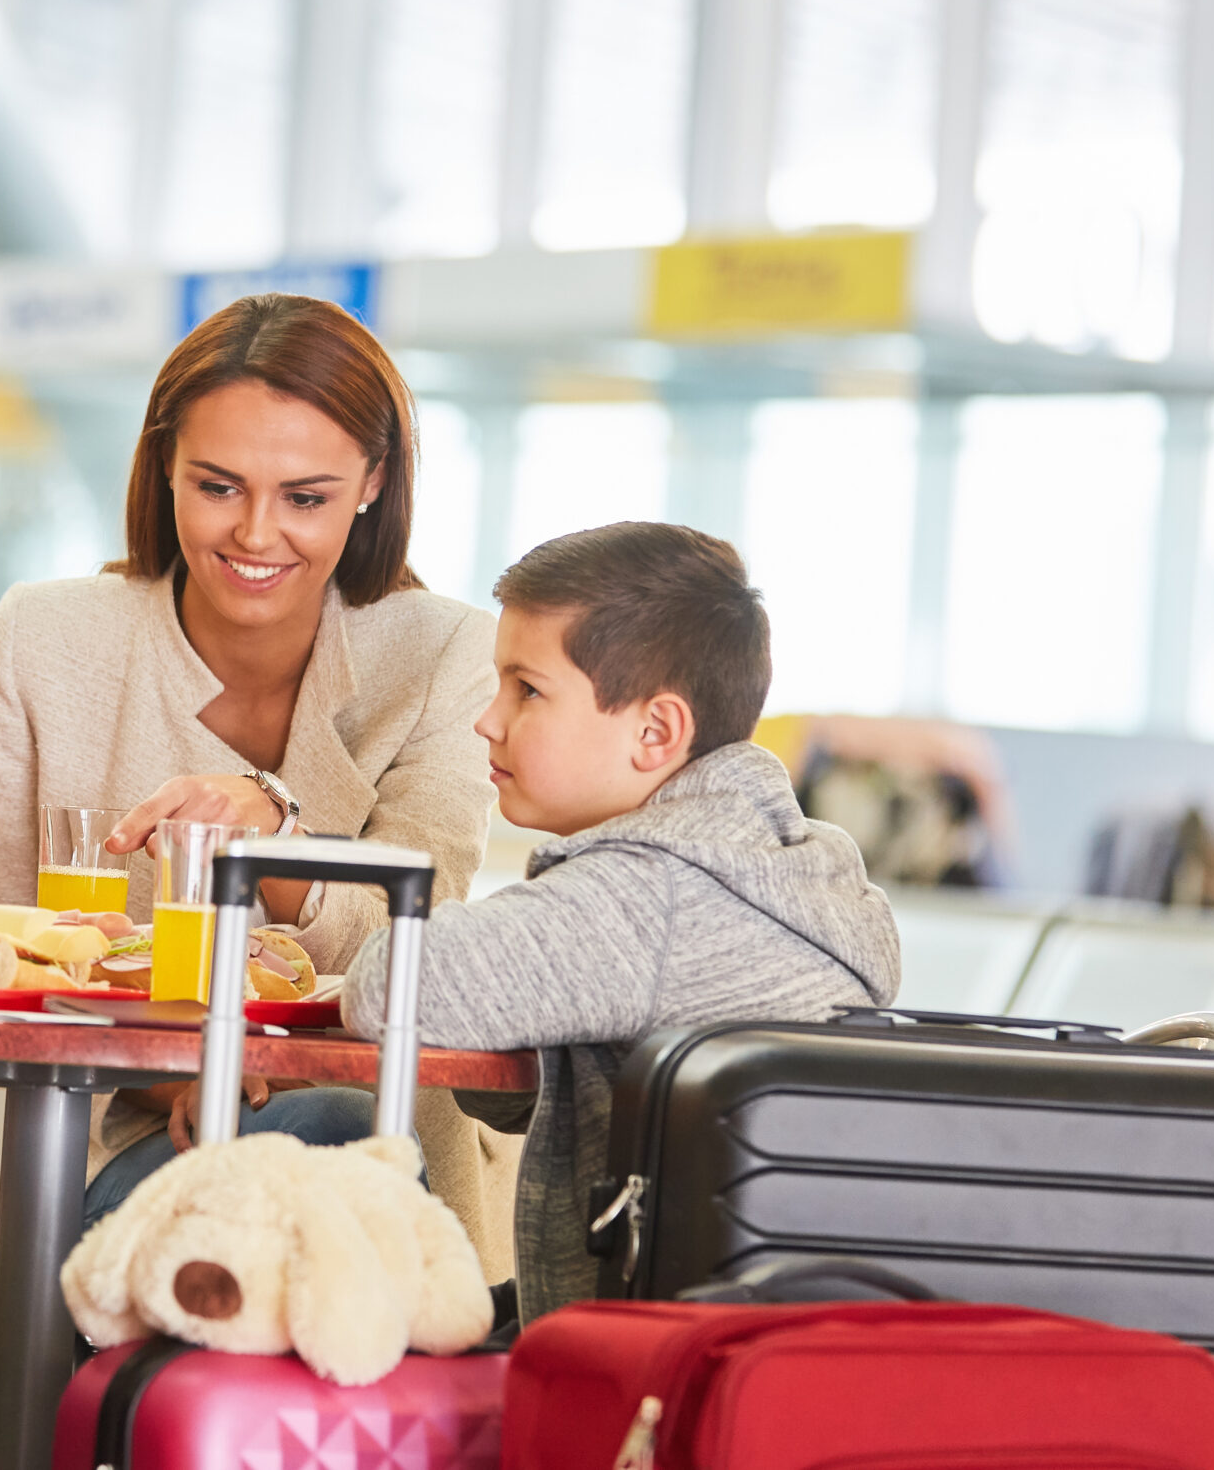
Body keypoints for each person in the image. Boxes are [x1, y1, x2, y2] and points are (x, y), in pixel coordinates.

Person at [0, 293, 509, 1248]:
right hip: (121, 1149)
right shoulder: (46, 639)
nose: (255, 533)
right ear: (164, 462)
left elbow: (413, 957)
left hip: (379, 1166)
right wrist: (169, 1066)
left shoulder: (446, 653)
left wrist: (272, 840)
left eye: (306, 497)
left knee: (327, 1142)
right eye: (217, 485)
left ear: (372, 482)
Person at [341, 522, 900, 1323]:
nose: (486, 721)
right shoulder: (796, 869)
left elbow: (388, 988)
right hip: (761, 1336)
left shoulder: (650, 894)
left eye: (526, 689)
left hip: (642, 1356)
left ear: (656, 732)